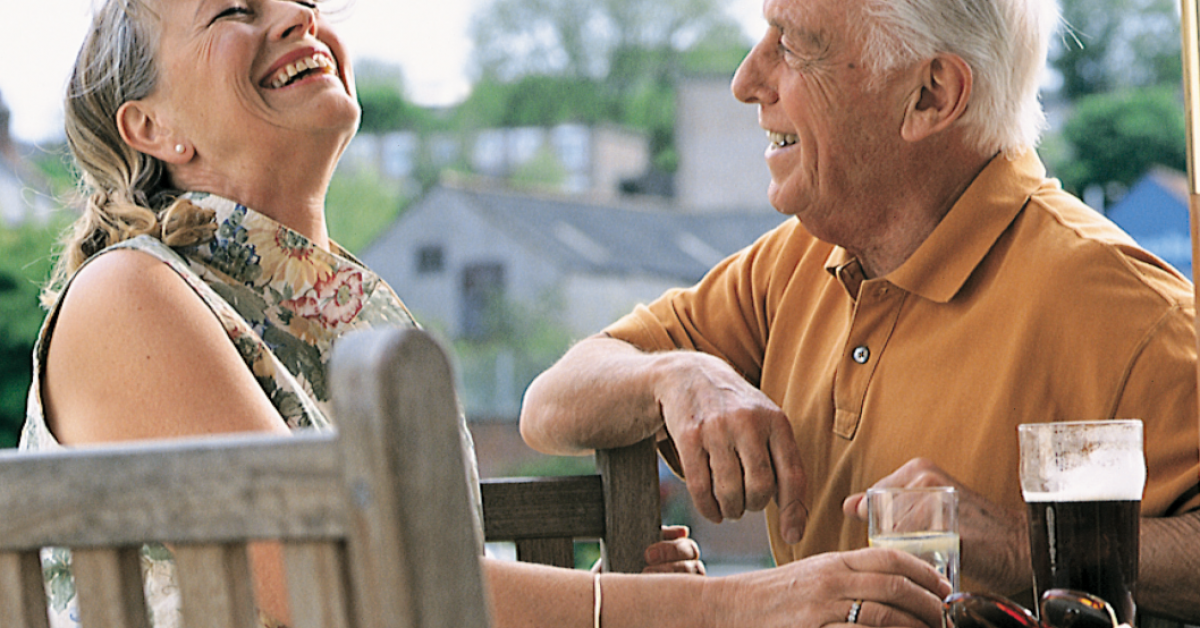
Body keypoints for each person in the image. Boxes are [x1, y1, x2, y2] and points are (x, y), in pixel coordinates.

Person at [20, 1, 952, 627]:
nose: (298, 16)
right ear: (149, 127)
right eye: (234, 9)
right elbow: (340, 587)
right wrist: (744, 606)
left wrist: (611, 602)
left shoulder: (332, 313)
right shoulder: (128, 295)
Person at [521, 0, 1200, 620]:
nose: (746, 80)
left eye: (794, 45)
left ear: (931, 95)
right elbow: (549, 407)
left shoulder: (1128, 310)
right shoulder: (794, 261)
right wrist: (676, 375)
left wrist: (1021, 547)